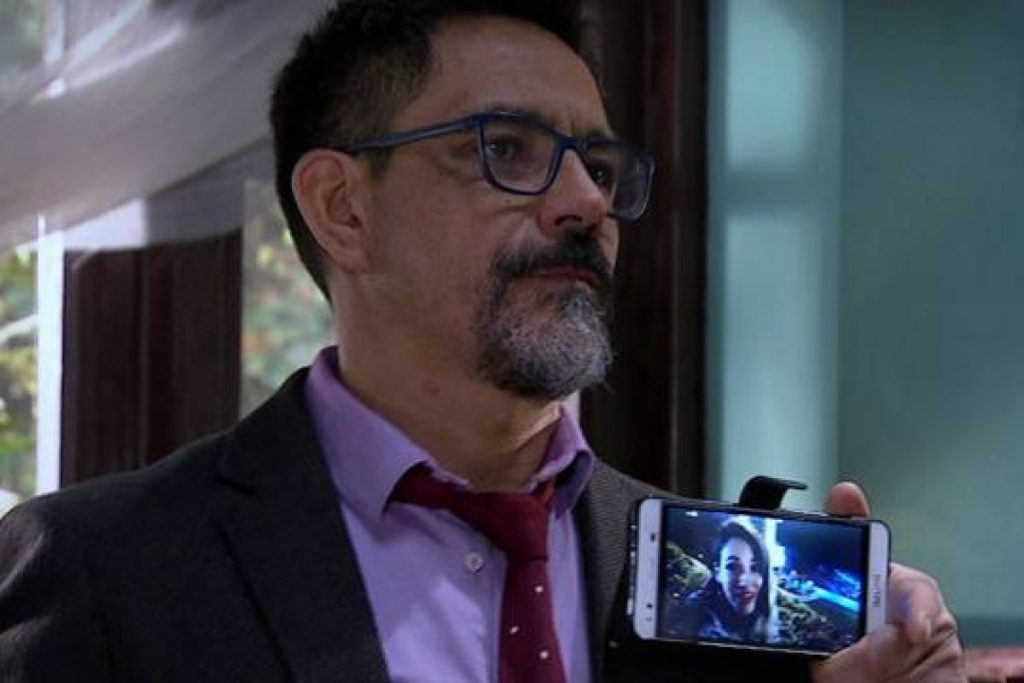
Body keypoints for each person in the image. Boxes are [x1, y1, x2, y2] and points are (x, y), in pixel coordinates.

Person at [0, 1, 966, 681]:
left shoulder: (717, 579)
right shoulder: (102, 569)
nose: (587, 203)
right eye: (506, 149)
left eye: (597, 164)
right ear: (343, 209)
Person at [669, 517, 773, 643]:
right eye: (732, 567)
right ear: (718, 572)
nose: (743, 580)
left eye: (754, 567)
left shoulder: (787, 626)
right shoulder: (690, 622)